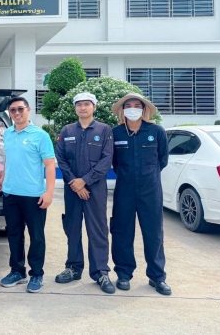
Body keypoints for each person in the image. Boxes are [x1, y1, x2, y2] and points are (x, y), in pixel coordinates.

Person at [110, 93, 171, 296]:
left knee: (153, 233)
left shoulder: (156, 131)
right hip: (124, 189)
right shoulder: (116, 133)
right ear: (123, 110)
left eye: (137, 105)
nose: (133, 109)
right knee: (122, 231)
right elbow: (114, 163)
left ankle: (157, 276)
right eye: (129, 106)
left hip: (150, 190)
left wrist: (147, 175)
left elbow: (162, 159)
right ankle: (124, 274)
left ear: (144, 110)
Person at [55, 92, 115, 294]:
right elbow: (61, 158)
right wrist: (75, 183)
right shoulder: (67, 130)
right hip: (72, 188)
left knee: (98, 229)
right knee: (72, 228)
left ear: (94, 107)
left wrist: (85, 181)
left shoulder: (104, 130)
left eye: (87, 104)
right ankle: (73, 267)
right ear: (75, 108)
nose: (82, 107)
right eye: (79, 104)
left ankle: (101, 272)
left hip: (95, 189)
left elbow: (107, 159)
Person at [0, 96, 56, 293]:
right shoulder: (8, 134)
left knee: (36, 236)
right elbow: (9, 159)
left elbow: (49, 165)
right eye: (13, 110)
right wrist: (3, 178)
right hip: (10, 194)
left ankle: (36, 273)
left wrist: (49, 192)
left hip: (33, 195)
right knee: (14, 234)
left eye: (20, 109)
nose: (17, 113)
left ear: (28, 110)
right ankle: (17, 271)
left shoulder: (40, 135)